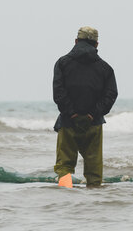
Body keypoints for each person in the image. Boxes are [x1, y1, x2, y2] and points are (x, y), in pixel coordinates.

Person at [52, 26, 118, 187]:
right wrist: (92, 114)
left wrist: (72, 113)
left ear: (76, 41)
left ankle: (66, 200)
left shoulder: (62, 63)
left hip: (68, 123)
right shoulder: (105, 68)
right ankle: (94, 206)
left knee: (64, 167)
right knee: (94, 170)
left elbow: (58, 93)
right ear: (96, 45)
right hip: (94, 124)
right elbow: (110, 95)